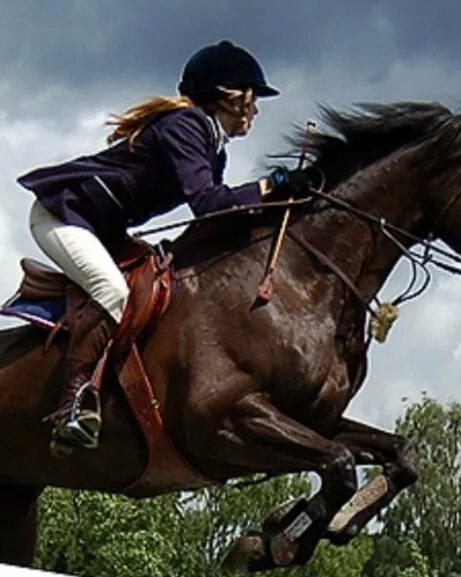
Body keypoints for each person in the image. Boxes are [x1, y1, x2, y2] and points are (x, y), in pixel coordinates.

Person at [17, 40, 311, 455]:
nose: (256, 109)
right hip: (63, 215)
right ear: (231, 97)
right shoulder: (187, 126)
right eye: (253, 98)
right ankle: (72, 405)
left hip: (103, 226)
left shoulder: (210, 145)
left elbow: (217, 214)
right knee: (113, 292)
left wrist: (283, 200)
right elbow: (210, 204)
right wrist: (271, 185)